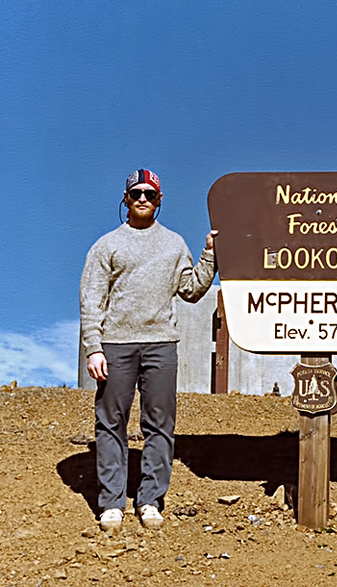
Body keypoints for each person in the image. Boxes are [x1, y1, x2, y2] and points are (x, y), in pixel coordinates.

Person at [80, 169, 217, 531]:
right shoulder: (107, 245)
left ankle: (150, 500)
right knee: (111, 422)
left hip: (161, 345)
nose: (143, 198)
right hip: (115, 344)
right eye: (136, 193)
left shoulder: (174, 244)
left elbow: (191, 290)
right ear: (126, 198)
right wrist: (94, 348)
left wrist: (209, 255)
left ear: (159, 200)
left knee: (160, 424)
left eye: (150, 194)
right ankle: (111, 503)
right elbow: (91, 299)